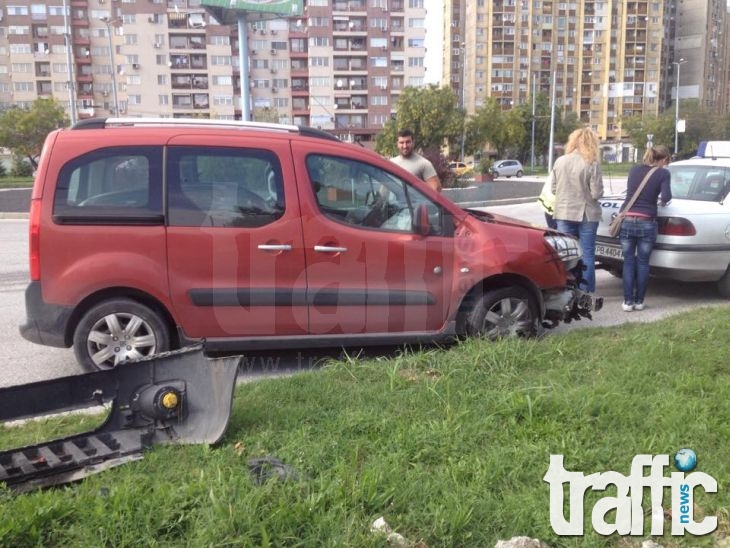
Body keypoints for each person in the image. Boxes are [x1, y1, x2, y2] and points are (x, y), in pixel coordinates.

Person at [618, 145, 672, 312]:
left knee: (628, 262)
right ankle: (639, 302)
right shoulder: (663, 173)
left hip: (627, 220)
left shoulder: (634, 170)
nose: (666, 165)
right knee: (642, 263)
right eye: (666, 161)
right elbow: (666, 196)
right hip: (647, 221)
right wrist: (660, 201)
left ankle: (627, 302)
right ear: (662, 159)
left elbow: (632, 193)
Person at [551, 127, 604, 293]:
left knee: (566, 254)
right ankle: (586, 293)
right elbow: (596, 193)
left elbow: (553, 189)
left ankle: (567, 291)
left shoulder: (560, 161)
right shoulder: (591, 163)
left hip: (564, 212)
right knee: (587, 254)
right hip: (586, 213)